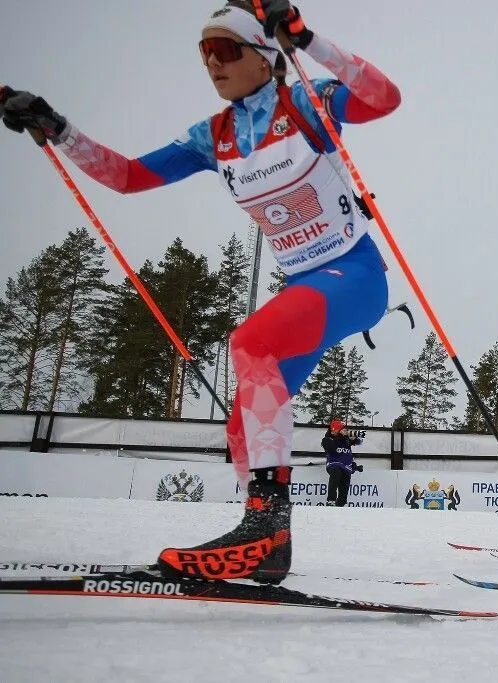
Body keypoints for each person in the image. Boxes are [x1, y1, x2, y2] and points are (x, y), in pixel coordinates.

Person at [0, 0, 400, 584]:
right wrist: (57, 127)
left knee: (250, 342)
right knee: (241, 428)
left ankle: (266, 524)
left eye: (226, 50)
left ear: (264, 56)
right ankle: (269, 545)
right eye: (204, 53)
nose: (212, 64)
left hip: (355, 276)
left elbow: (385, 99)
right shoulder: (214, 136)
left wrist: (306, 38)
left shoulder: (306, 103)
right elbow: (128, 176)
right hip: (304, 289)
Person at [322, 419, 363, 506]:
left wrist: (353, 437)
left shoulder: (346, 439)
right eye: (334, 431)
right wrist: (340, 437)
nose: (334, 432)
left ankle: (341, 504)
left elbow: (360, 441)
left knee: (344, 487)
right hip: (334, 463)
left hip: (346, 466)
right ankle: (331, 500)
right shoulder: (327, 439)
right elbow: (332, 450)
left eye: (337, 430)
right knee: (336, 473)